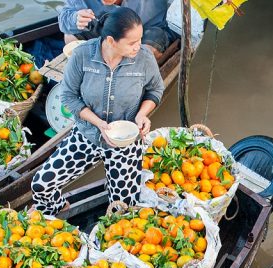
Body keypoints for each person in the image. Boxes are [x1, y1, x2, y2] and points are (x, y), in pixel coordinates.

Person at [31, 8, 163, 216]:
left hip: (125, 141)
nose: (139, 46)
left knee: (122, 208)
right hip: (87, 135)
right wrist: (99, 123)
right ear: (111, 41)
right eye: (132, 42)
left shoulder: (144, 58)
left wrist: (142, 114)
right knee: (41, 185)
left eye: (140, 39)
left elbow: (155, 89)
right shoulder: (83, 55)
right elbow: (69, 96)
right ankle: (58, 212)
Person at [59, 0, 177, 59]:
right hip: (104, 34)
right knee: (70, 35)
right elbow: (64, 19)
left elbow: (163, 28)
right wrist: (75, 18)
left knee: (152, 44)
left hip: (141, 36)